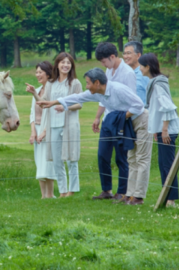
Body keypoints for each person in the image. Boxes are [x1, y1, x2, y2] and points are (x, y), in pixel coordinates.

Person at [38, 68, 150, 205]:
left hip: (141, 120)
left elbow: (139, 105)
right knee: (131, 159)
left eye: (88, 83)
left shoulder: (118, 89)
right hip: (127, 122)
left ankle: (138, 197)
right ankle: (130, 195)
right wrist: (53, 102)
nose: (86, 86)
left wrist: (120, 117)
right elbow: (78, 97)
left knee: (142, 159)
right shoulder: (98, 93)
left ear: (97, 83)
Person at [27, 52, 83, 198]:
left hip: (69, 125)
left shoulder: (75, 83)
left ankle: (72, 190)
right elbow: (43, 102)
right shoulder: (51, 84)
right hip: (53, 126)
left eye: (68, 63)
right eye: (63, 62)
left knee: (71, 158)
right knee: (57, 160)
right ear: (57, 64)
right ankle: (63, 191)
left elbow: (79, 104)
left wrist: (66, 107)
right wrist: (34, 92)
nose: (66, 65)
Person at [92, 42, 137, 201]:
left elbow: (133, 99)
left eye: (104, 61)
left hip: (121, 119)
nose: (103, 65)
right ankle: (106, 190)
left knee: (121, 157)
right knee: (102, 154)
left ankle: (122, 191)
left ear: (112, 57)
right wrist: (98, 116)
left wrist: (123, 118)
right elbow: (104, 96)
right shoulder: (108, 71)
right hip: (107, 119)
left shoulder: (128, 73)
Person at [139, 53, 179, 207]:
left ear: (148, 67)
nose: (140, 69)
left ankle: (171, 199)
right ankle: (166, 197)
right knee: (163, 163)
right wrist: (157, 130)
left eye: (141, 66)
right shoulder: (154, 83)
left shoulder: (158, 85)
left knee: (168, 164)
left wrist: (164, 130)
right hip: (162, 130)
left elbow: (167, 107)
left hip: (167, 130)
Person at [26, 61, 56, 199]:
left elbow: (50, 111)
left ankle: (50, 194)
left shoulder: (52, 89)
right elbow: (33, 112)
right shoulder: (37, 90)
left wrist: (44, 131)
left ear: (48, 73)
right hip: (37, 129)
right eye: (36, 72)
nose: (37, 74)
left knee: (47, 162)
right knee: (39, 162)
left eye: (40, 72)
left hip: (48, 129)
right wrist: (33, 132)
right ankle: (43, 195)